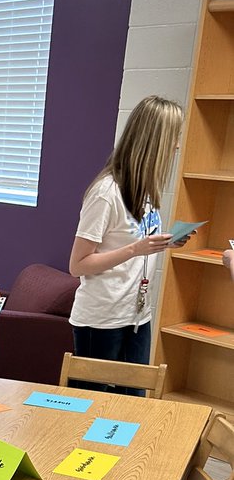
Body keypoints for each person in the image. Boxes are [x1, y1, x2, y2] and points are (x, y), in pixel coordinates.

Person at [69, 95, 185, 395]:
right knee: (92, 407)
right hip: (102, 319)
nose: (177, 145)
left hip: (136, 315)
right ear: (155, 140)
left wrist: (167, 241)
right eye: (175, 136)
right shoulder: (106, 192)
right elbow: (78, 264)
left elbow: (135, 241)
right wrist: (135, 249)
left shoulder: (146, 190)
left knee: (132, 404)